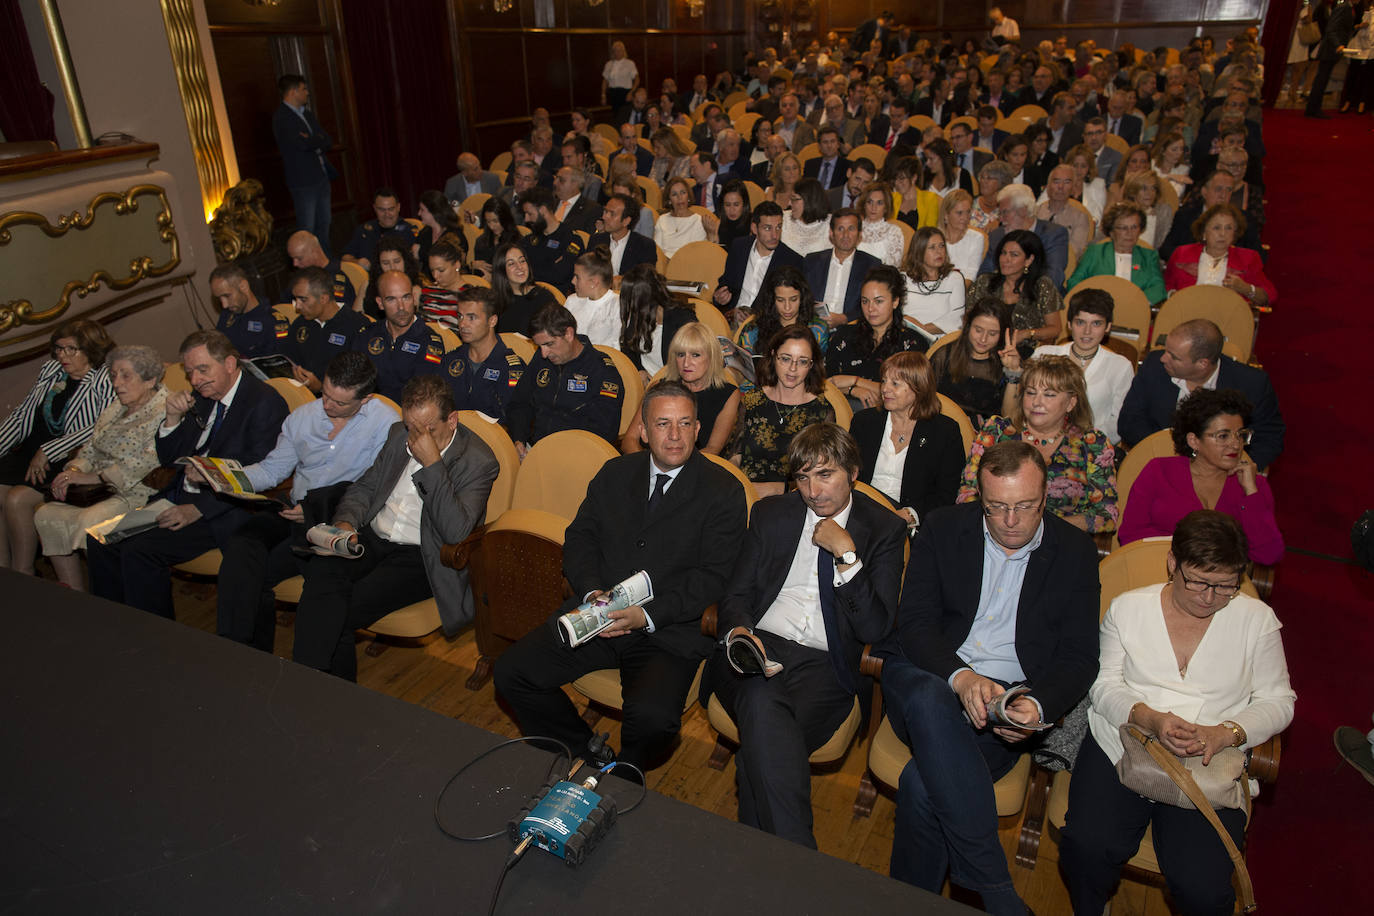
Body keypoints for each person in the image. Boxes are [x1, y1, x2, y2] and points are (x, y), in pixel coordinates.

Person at [881, 440, 1100, 915]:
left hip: (1004, 706)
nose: (1010, 520)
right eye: (996, 507)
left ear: (1045, 498)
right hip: (930, 672)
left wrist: (1037, 705)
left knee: (924, 785)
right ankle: (997, 893)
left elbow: (1081, 657)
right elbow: (914, 624)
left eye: (1024, 506)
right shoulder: (942, 528)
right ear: (980, 497)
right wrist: (959, 678)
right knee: (928, 696)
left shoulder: (1076, 551)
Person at [497, 379, 747, 770]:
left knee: (653, 723)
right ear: (644, 431)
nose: (675, 435)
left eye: (685, 424)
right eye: (663, 424)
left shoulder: (724, 491)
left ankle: (626, 774)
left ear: (699, 430)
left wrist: (645, 616)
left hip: (665, 631)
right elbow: (580, 538)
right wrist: (592, 590)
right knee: (512, 673)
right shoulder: (615, 472)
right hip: (597, 614)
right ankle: (585, 750)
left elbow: (714, 578)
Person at [1061, 510, 1295, 916]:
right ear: (1173, 563)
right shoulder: (1129, 608)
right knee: (1087, 847)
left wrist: (1227, 733)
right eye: (1199, 581)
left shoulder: (1255, 621)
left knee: (1202, 888)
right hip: (1125, 741)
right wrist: (1147, 717)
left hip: (1208, 760)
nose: (1209, 598)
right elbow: (1104, 686)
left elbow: (1279, 700)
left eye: (1225, 586)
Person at [707, 422, 906, 847]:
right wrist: (740, 629)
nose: (813, 491)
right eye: (803, 477)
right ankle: (802, 865)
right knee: (761, 697)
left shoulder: (884, 530)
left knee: (760, 746)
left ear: (853, 471)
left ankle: (774, 863)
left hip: (825, 666)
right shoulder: (771, 514)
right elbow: (737, 594)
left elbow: (874, 627)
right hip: (758, 647)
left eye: (825, 474)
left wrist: (847, 556)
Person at [293, 375, 496, 680]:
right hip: (372, 537)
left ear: (451, 420)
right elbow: (366, 486)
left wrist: (433, 466)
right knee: (321, 577)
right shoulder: (397, 434)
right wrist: (345, 522)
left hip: (422, 556)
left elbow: (456, 532)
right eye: (411, 428)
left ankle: (319, 691)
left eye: (428, 430)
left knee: (339, 613)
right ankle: (314, 683)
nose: (416, 439)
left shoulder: (478, 461)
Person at [86, 331, 289, 619]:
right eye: (189, 371)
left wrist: (197, 509)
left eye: (202, 369)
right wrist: (171, 419)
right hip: (177, 496)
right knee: (100, 539)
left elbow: (257, 477)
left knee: (140, 551)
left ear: (230, 364)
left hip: (221, 510)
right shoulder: (203, 396)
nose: (194, 380)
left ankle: (153, 636)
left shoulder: (263, 402)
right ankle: (115, 621)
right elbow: (168, 458)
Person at [214, 352, 394, 652]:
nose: (327, 405)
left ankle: (267, 654)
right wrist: (227, 478)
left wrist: (312, 510)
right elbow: (272, 470)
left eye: (339, 402)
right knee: (243, 544)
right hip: (292, 507)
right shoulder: (303, 418)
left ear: (365, 399)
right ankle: (238, 648)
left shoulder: (385, 423)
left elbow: (373, 487)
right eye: (325, 394)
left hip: (335, 518)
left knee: (265, 575)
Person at [31, 346, 167, 589]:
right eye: (114, 375)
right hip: (98, 489)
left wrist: (88, 478)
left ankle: (109, 591)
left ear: (150, 380)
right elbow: (91, 447)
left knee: (89, 522)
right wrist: (73, 471)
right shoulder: (116, 407)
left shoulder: (164, 412)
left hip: (138, 493)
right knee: (45, 513)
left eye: (126, 376)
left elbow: (143, 467)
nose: (117, 383)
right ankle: (73, 590)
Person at [0, 319, 116, 572]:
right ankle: (3, 568)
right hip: (32, 450)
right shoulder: (52, 369)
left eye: (71, 349)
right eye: (59, 348)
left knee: (17, 499)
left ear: (91, 350)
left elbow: (101, 427)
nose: (62, 355)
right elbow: (24, 414)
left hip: (69, 457)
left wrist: (49, 450)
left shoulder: (104, 377)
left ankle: (23, 571)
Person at [1119, 388, 1282, 564]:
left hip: (1223, 585)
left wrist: (1251, 493)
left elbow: (1269, 555)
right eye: (1223, 436)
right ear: (1194, 441)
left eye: (1240, 435)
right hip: (1156, 569)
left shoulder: (1254, 485)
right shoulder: (1159, 471)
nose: (1235, 444)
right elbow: (1130, 534)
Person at [959, 355, 1118, 532]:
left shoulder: (1092, 444)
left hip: (1060, 541)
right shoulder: (996, 431)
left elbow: (1107, 516)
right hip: (995, 534)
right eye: (1031, 392)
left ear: (1071, 403)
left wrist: (1043, 528)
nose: (1037, 402)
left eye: (1049, 394)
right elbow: (967, 495)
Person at [1119, 319, 1284, 469]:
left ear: (1202, 364)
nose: (1163, 358)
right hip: (1158, 464)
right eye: (1166, 350)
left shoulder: (1251, 383)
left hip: (1223, 474)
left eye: (1173, 356)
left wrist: (1234, 466)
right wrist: (1166, 453)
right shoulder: (1154, 366)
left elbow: (1269, 436)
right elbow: (1129, 421)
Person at [850, 352, 964, 530]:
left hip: (908, 522)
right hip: (862, 512)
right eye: (884, 381)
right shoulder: (864, 422)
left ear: (919, 388)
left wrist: (911, 514)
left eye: (895, 383)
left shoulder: (944, 431)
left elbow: (947, 493)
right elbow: (847, 474)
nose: (885, 389)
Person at [504, 305, 624, 453]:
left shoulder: (601, 370)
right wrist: (518, 439)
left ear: (568, 334)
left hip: (578, 454)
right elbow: (519, 403)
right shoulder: (541, 360)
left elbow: (605, 430)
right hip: (536, 448)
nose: (544, 353)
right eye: (539, 346)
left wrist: (561, 454)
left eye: (549, 344)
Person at [730, 325, 835, 497]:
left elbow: (822, 475)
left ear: (811, 365)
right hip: (744, 494)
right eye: (785, 359)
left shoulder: (822, 411)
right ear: (773, 356)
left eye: (802, 361)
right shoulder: (752, 400)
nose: (792, 369)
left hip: (793, 500)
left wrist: (775, 489)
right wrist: (736, 487)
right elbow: (736, 455)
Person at [621, 322, 741, 457]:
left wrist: (673, 474)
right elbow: (629, 440)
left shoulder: (728, 395)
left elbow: (712, 450)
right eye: (680, 355)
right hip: (648, 465)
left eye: (695, 355)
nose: (686, 363)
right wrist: (648, 469)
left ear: (711, 357)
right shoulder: (658, 388)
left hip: (698, 470)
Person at [1033, 288, 1134, 444]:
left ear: (1107, 327)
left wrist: (1086, 443)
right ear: (1069, 324)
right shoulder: (1043, 355)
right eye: (1080, 322)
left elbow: (1119, 421)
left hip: (1093, 448)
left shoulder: (1120, 366)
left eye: (1096, 323)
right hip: (1041, 441)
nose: (1087, 331)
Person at [827, 266, 928, 409]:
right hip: (842, 410)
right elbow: (827, 383)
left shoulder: (911, 343)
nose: (870, 308)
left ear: (895, 302)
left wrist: (853, 380)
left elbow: (909, 391)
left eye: (878, 301)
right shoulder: (844, 335)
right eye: (865, 301)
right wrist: (853, 390)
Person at [352, 271, 445, 401]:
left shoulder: (429, 342)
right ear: (380, 303)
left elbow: (421, 397)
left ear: (413, 298)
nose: (401, 307)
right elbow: (352, 383)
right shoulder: (367, 335)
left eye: (406, 297)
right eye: (391, 299)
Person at [1163, 203, 1276, 308]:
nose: (1223, 234)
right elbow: (1167, 285)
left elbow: (1269, 296)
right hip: (1186, 315)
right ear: (1204, 232)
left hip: (1228, 320)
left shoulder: (1248, 258)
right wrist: (1173, 295)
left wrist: (1245, 288)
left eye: (1228, 228)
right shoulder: (1182, 253)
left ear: (1235, 233)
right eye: (1217, 228)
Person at [970, 229, 1064, 353]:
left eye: (1014, 255)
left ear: (1029, 260)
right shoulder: (985, 281)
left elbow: (1055, 329)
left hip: (1024, 351)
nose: (1005, 259)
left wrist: (1025, 334)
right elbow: (968, 318)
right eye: (1003, 253)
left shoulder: (1042, 285)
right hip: (984, 347)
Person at [440, 287, 525, 421]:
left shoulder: (510, 368)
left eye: (471, 318)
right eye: (460, 316)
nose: (462, 324)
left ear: (492, 321)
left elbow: (512, 420)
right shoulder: (451, 360)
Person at [280, 266, 370, 394]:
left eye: (303, 299)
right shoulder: (300, 324)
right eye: (295, 299)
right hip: (300, 394)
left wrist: (321, 388)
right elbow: (287, 358)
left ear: (323, 298)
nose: (297, 306)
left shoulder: (356, 326)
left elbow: (359, 381)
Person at [930, 302, 1022, 426]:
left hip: (986, 436)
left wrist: (1013, 373)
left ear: (1002, 335)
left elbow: (1010, 420)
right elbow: (924, 398)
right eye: (978, 330)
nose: (983, 339)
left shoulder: (1008, 361)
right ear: (968, 326)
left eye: (992, 334)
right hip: (942, 426)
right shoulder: (945, 355)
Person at [272, 74, 335, 250]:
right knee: (307, 228)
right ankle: (309, 269)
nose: (307, 93)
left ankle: (325, 263)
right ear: (293, 92)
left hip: (321, 177)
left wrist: (313, 139)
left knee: (325, 224)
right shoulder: (282, 118)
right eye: (304, 89)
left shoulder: (306, 114)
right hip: (303, 181)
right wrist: (315, 140)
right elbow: (300, 144)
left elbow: (327, 140)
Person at [714, 201, 805, 316]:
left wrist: (754, 318)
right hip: (733, 316)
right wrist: (720, 298)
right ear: (754, 228)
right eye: (767, 228)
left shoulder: (792, 260)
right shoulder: (739, 247)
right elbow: (726, 284)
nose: (774, 235)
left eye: (778, 227)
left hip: (765, 324)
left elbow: (791, 307)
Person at [1066, 202, 1166, 304]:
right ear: (1111, 232)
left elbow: (1158, 288)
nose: (1129, 233)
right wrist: (1093, 301)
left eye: (1134, 227)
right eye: (1123, 228)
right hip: (1097, 310)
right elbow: (1074, 282)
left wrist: (1135, 302)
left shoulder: (1149, 256)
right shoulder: (1094, 252)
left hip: (1135, 310)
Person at [980, 183, 1071, 292]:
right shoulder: (997, 236)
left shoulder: (1053, 234)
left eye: (1005, 212)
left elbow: (1053, 277)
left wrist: (1019, 293)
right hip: (1002, 298)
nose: (1001, 219)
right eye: (999, 213)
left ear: (1023, 210)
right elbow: (984, 275)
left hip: (1040, 298)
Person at [803, 208, 881, 326]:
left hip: (852, 329)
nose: (846, 235)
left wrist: (845, 318)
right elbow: (802, 298)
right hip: (813, 326)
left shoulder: (872, 265)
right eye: (840, 229)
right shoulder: (812, 261)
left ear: (859, 234)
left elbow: (875, 305)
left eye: (851, 229)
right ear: (831, 233)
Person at [618, 264, 695, 379]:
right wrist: (639, 370)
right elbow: (627, 347)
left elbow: (688, 367)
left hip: (672, 384)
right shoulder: (640, 314)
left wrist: (658, 382)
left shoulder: (682, 320)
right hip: (645, 381)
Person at [739, 265, 832, 356]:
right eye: (780, 300)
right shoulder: (753, 330)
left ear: (802, 298)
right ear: (772, 300)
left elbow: (819, 368)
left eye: (793, 299)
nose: (787, 307)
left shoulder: (817, 330)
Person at [901, 226, 967, 342]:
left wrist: (922, 330)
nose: (939, 252)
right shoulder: (903, 279)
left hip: (942, 342)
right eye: (932, 247)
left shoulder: (954, 278)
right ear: (919, 251)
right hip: (906, 339)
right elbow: (896, 313)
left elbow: (957, 318)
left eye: (941, 246)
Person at [210, 264, 282, 358]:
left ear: (243, 286)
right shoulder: (227, 315)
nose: (224, 305)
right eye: (219, 298)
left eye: (227, 296)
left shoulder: (271, 321)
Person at [342, 188, 419, 271]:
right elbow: (345, 256)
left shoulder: (409, 231)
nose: (387, 214)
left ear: (398, 207)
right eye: (382, 210)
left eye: (391, 209)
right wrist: (357, 262)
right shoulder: (364, 230)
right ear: (374, 208)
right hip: (368, 280)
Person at [491, 241, 557, 336]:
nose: (520, 267)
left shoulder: (544, 298)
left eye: (522, 261)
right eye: (511, 264)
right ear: (501, 270)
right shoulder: (494, 301)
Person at [1306, 0, 1357, 118]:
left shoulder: (1348, 8)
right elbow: (1331, 29)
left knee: (1322, 79)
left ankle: (1313, 108)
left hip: (1333, 49)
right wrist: (1338, 45)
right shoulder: (1343, 7)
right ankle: (1313, 109)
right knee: (1321, 79)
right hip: (1330, 49)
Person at [588, 193, 655, 278]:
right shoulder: (596, 240)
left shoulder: (644, 245)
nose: (604, 217)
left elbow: (645, 281)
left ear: (626, 221)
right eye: (605, 211)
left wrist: (622, 281)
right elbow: (587, 272)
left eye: (612, 214)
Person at [1036, 165, 1095, 261]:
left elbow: (1076, 251)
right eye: (1056, 181)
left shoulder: (1080, 217)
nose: (1060, 187)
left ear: (1073, 188)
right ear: (1048, 186)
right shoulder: (1036, 212)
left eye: (1067, 182)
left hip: (1064, 265)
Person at [654, 176, 709, 258]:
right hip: (664, 267)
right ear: (669, 200)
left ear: (688, 196)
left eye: (683, 192)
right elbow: (657, 252)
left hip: (689, 266)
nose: (680, 198)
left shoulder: (698, 221)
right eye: (674, 194)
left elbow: (697, 254)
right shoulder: (662, 220)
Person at [937, 189, 987, 280]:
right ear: (946, 215)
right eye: (959, 213)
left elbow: (971, 275)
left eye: (968, 212)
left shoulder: (976, 238)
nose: (965, 218)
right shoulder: (934, 238)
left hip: (962, 290)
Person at [1120, 171, 1175, 252]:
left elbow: (1162, 246)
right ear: (1133, 191)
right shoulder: (1120, 211)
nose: (1149, 193)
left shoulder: (1162, 212)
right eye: (1144, 188)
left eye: (1153, 188)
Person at [780, 178, 834, 256]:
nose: (789, 203)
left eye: (794, 199)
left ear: (810, 200)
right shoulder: (784, 218)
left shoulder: (831, 224)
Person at [857, 181, 906, 267]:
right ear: (864, 205)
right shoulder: (854, 228)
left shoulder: (894, 232)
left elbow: (893, 268)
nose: (873, 207)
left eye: (879, 203)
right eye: (870, 202)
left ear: (886, 207)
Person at [470, 197, 520, 277]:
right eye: (488, 221)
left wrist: (493, 280)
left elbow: (516, 275)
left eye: (495, 221)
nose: (492, 226)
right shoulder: (481, 241)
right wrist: (473, 266)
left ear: (505, 219)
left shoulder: (516, 242)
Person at [601, 40, 640, 112]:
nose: (617, 52)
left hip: (625, 93)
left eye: (620, 50)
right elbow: (605, 80)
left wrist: (632, 92)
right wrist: (603, 95)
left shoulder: (630, 63)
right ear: (613, 52)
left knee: (625, 114)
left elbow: (637, 80)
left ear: (623, 51)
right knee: (614, 116)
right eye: (615, 50)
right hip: (612, 94)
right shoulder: (608, 64)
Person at [716, 180, 754, 251]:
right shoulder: (718, 223)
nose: (732, 209)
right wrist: (711, 235)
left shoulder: (753, 222)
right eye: (727, 205)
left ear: (744, 204)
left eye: (736, 205)